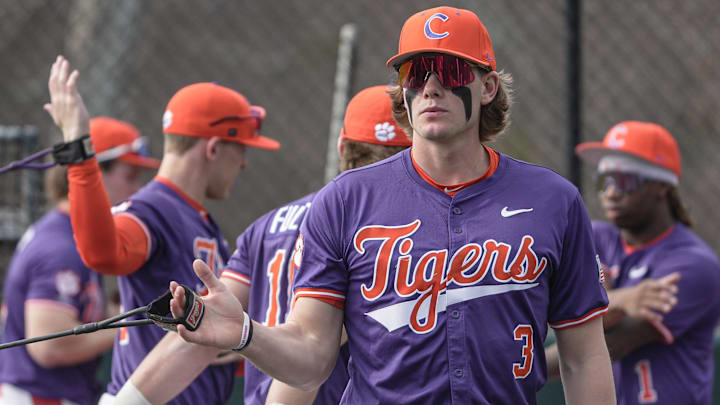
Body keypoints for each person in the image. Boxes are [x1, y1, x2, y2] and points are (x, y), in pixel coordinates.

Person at [168, 6, 616, 404]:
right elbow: (311, 359)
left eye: (451, 70)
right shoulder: (344, 201)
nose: (432, 87)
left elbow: (584, 357)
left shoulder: (554, 200)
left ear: (488, 87)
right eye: (415, 74)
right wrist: (247, 334)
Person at [113, 84, 412, 405]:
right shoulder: (390, 233)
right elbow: (311, 353)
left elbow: (204, 325)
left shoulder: (268, 225)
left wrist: (122, 402)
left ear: (342, 147)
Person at [42, 55, 281, 404]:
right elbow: (102, 253)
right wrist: (79, 150)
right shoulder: (154, 210)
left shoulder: (192, 215)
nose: (243, 163)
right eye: (241, 148)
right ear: (213, 148)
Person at [0, 117, 160, 405]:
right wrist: (130, 321)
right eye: (130, 176)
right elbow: (49, 346)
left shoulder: (65, 231)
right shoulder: (61, 247)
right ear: (94, 173)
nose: (137, 189)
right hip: (42, 397)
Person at [575, 121, 720, 404]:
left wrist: (523, 370)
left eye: (626, 180)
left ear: (661, 186)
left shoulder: (694, 264)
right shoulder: (596, 237)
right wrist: (622, 300)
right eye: (605, 180)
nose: (612, 192)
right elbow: (555, 309)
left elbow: (608, 345)